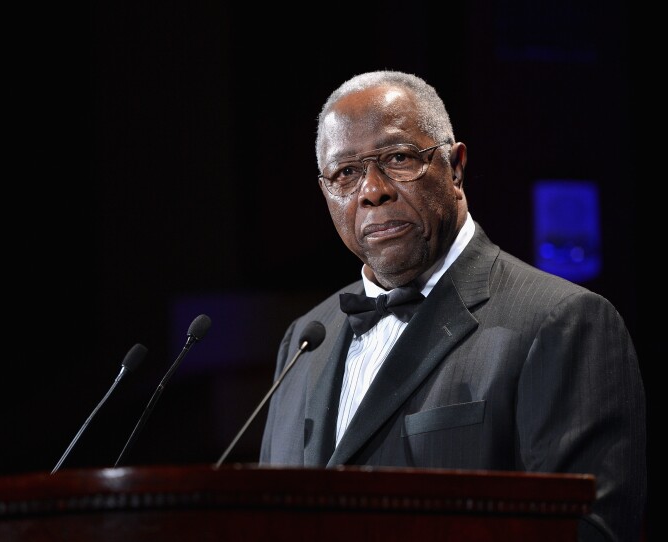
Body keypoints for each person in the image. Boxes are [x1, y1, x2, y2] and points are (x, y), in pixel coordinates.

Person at [258, 70, 646, 542]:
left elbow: (588, 533)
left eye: (398, 158)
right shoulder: (304, 340)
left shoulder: (563, 321)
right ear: (327, 193)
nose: (372, 190)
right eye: (346, 172)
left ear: (455, 168)